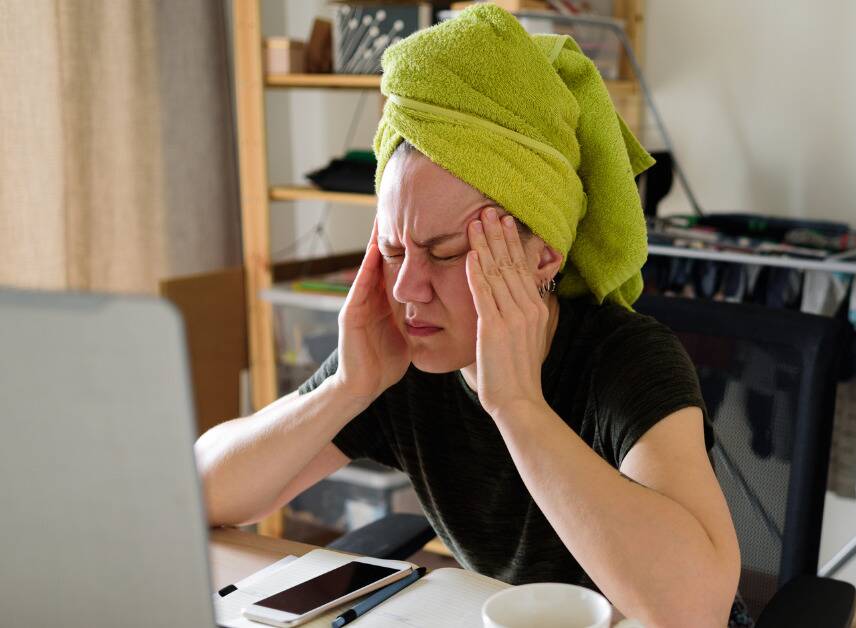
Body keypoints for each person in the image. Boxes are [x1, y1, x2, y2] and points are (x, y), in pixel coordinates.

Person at [195, 5, 741, 627]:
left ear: (542, 257)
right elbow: (202, 493)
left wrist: (519, 407)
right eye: (394, 249)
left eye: (444, 252)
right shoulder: (405, 355)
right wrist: (347, 388)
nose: (407, 287)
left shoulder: (626, 360)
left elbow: (694, 610)